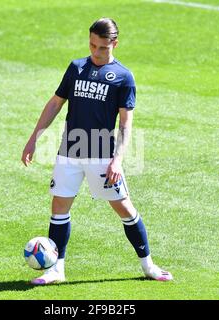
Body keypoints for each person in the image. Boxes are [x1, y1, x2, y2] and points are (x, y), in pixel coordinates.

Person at [21, 17, 173, 285]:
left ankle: (148, 265)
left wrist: (118, 160)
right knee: (59, 207)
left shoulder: (124, 77)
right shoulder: (76, 67)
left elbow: (126, 123)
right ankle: (56, 270)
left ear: (114, 43)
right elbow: (56, 103)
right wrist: (35, 137)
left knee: (124, 209)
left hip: (102, 155)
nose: (95, 51)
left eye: (101, 47)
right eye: (92, 45)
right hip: (69, 151)